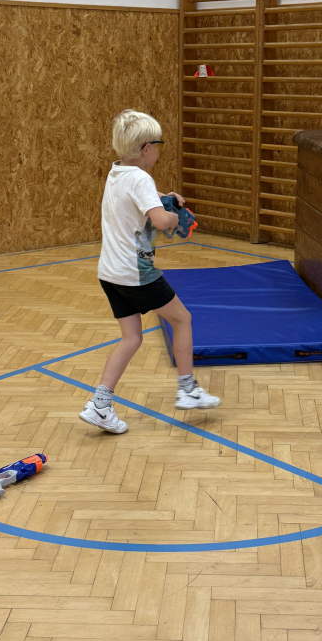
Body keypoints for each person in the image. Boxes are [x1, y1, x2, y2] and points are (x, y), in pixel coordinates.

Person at [79, 109, 220, 434]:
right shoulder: (142, 178)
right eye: (159, 144)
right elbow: (159, 220)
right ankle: (188, 389)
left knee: (131, 338)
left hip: (110, 272)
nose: (159, 150)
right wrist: (172, 217)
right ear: (147, 149)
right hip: (135, 273)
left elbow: (137, 196)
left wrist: (163, 198)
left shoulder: (117, 171)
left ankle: (100, 405)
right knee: (182, 319)